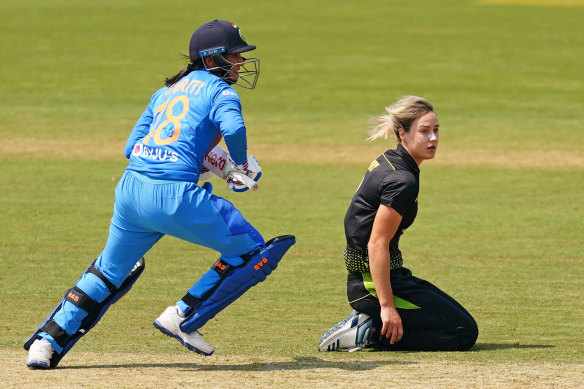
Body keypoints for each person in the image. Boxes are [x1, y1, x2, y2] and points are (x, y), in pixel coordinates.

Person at [24, 19, 295, 369]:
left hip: (131, 193)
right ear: (212, 60)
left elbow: (131, 148)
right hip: (175, 198)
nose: (241, 63)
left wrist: (208, 160)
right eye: (235, 56)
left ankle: (46, 344)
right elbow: (234, 127)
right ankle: (182, 315)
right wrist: (239, 165)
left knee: (108, 272)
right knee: (254, 250)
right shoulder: (220, 91)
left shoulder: (165, 90)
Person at [318, 96, 478, 352]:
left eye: (436, 130)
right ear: (403, 134)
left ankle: (369, 322)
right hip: (371, 283)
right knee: (462, 333)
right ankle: (368, 332)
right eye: (424, 131)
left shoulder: (390, 160)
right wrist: (387, 307)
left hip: (386, 275)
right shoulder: (402, 180)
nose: (433, 138)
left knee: (460, 321)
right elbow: (376, 243)